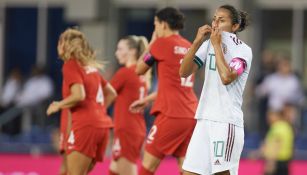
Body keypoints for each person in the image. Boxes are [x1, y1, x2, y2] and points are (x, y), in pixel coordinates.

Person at [179, 4, 252, 175]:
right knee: (188, 172)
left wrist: (217, 46)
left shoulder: (243, 50)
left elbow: (227, 77)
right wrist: (197, 41)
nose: (215, 24)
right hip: (204, 118)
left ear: (234, 26)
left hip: (226, 122)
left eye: (221, 20)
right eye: (214, 19)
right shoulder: (207, 44)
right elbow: (183, 72)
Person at [130, 7, 198, 175]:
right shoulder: (189, 46)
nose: (155, 29)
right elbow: (176, 86)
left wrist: (152, 42)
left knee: (147, 166)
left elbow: (139, 69)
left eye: (156, 24)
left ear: (164, 24)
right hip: (191, 114)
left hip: (171, 115)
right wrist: (147, 100)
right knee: (186, 168)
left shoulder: (160, 44)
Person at [46, 28, 117, 175]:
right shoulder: (89, 67)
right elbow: (111, 93)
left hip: (85, 126)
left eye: (60, 42)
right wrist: (98, 112)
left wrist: (58, 105)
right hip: (102, 127)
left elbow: (79, 95)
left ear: (64, 44)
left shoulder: (70, 65)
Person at [108, 35, 150, 175]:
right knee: (114, 171)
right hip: (135, 128)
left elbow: (102, 95)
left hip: (126, 129)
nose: (116, 53)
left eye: (120, 49)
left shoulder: (125, 73)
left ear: (132, 51)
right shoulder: (143, 74)